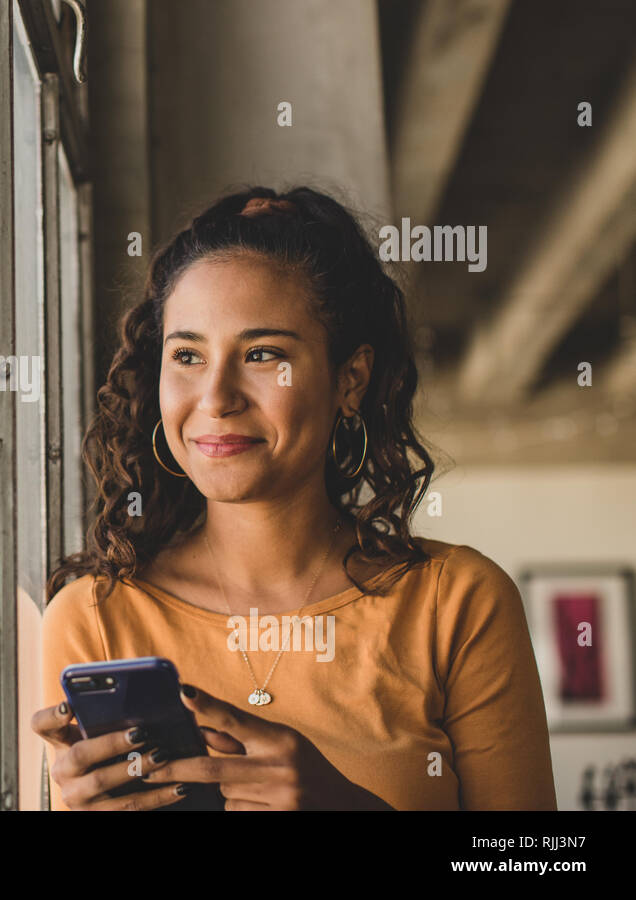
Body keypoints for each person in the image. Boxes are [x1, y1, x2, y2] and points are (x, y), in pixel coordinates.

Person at [32, 186, 557, 811]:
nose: (216, 397)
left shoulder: (457, 601)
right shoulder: (94, 615)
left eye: (262, 354)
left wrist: (344, 805)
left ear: (350, 379)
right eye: (188, 355)